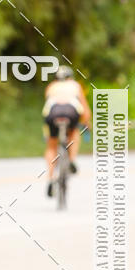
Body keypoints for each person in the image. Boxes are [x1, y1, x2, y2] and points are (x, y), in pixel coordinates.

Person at [42, 65, 91, 197]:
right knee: (74, 131)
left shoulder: (51, 87)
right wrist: (86, 125)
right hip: (70, 110)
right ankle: (72, 160)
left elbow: (46, 108)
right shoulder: (75, 85)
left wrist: (45, 133)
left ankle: (50, 178)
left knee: (51, 145)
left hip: (53, 112)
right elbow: (85, 111)